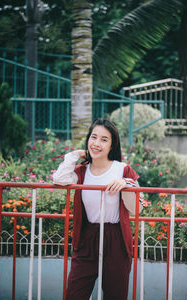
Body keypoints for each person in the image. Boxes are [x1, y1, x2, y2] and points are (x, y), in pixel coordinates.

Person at [53, 118, 144, 300]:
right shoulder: (82, 171)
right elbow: (59, 179)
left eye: (104, 140)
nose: (97, 143)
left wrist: (125, 183)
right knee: (74, 293)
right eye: (93, 137)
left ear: (112, 145)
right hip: (87, 236)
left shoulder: (123, 170)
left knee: (115, 294)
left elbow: (137, 208)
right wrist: (76, 154)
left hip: (116, 237)